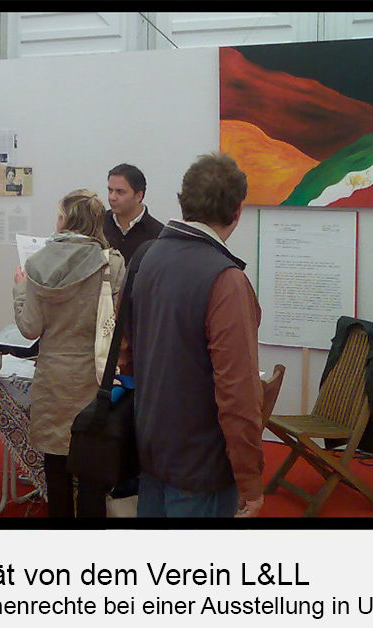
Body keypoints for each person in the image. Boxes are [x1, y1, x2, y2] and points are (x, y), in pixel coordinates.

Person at [121, 152, 266, 518]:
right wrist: (249, 477)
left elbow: (126, 354)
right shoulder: (226, 280)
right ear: (237, 211)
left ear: (183, 201)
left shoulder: (145, 257)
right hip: (201, 465)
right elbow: (238, 393)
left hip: (150, 448)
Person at [13, 189, 125, 518]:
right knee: (91, 469)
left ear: (66, 220)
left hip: (52, 376)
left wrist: (20, 289)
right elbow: (117, 324)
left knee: (55, 465)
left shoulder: (36, 263)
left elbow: (29, 328)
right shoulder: (112, 263)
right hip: (95, 375)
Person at [103, 163, 164, 264]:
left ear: (138, 196)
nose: (112, 197)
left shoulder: (158, 234)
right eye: (110, 190)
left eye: (120, 192)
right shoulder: (97, 224)